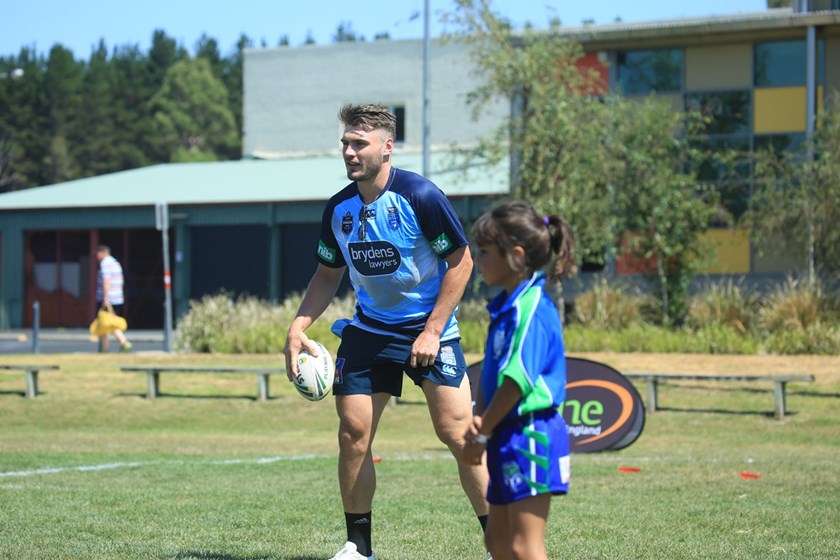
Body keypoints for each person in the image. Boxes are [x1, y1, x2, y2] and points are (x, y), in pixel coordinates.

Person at [283, 104, 489, 560]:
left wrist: (433, 331)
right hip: (369, 330)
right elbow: (326, 273)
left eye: (360, 143)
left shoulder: (420, 196)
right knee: (352, 434)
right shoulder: (339, 208)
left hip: (429, 331)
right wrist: (298, 326)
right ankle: (359, 548)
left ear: (387, 147)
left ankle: (502, 543)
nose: (350, 152)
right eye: (346, 144)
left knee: (457, 435)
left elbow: (462, 261)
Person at [463, 200, 576, 560]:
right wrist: (480, 418)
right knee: (497, 543)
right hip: (504, 432)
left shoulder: (532, 309)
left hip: (530, 433)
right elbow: (494, 372)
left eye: (483, 252)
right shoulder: (506, 307)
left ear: (514, 255)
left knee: (523, 546)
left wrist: (483, 429)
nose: (477, 261)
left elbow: (517, 379)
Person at [95, 245, 132, 352]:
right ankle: (104, 348)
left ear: (102, 253)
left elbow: (106, 280)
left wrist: (105, 298)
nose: (96, 257)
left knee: (108, 323)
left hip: (108, 299)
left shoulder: (105, 263)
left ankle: (124, 342)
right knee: (105, 323)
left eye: (97, 254)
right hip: (117, 297)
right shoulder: (115, 263)